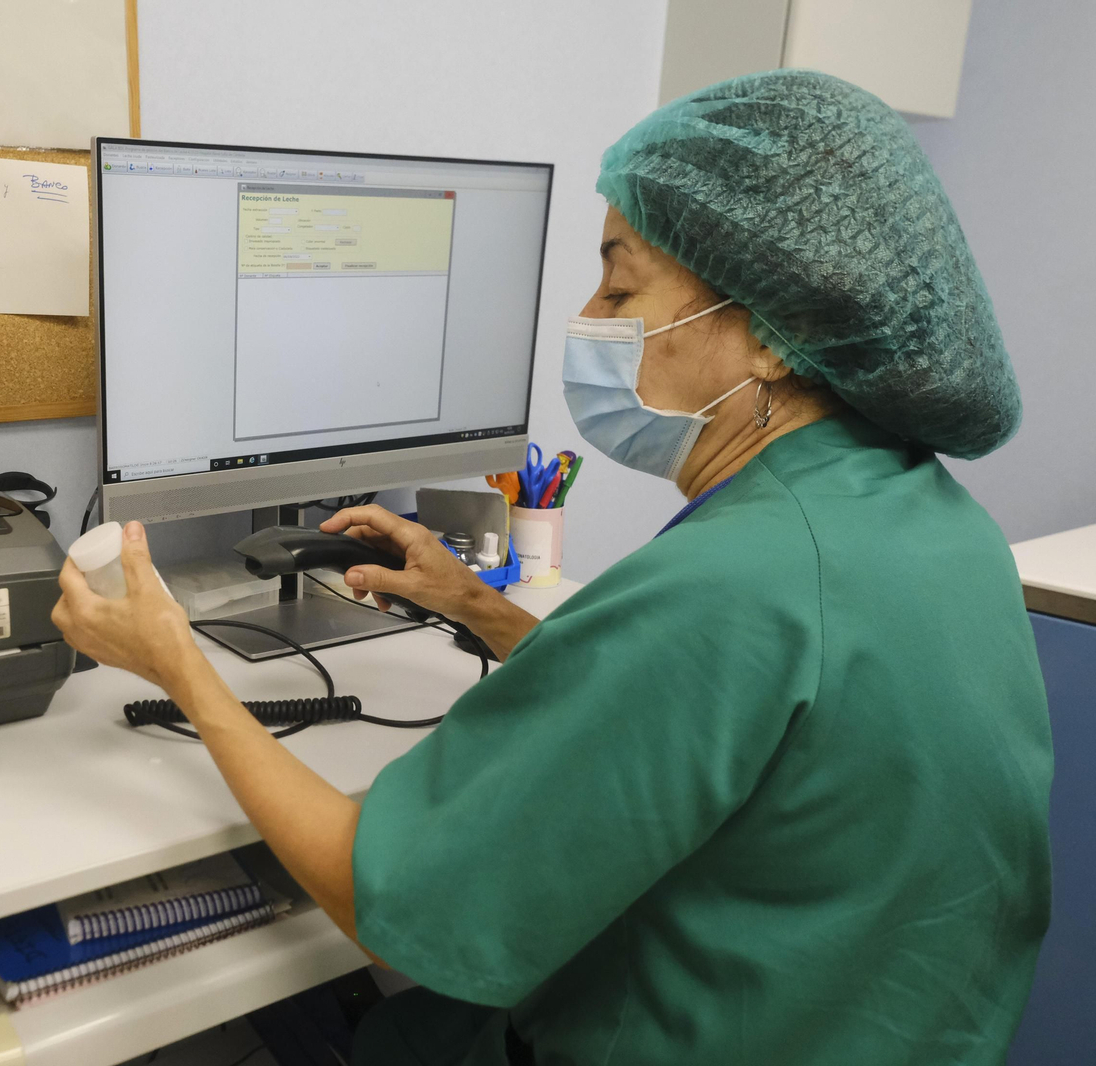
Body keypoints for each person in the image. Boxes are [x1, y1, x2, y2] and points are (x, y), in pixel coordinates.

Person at [51, 70, 1051, 1065]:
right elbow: (722, 719)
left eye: (621, 285)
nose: (589, 314)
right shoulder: (932, 522)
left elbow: (382, 895)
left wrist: (179, 665)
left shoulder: (734, 580)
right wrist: (476, 607)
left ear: (770, 336)